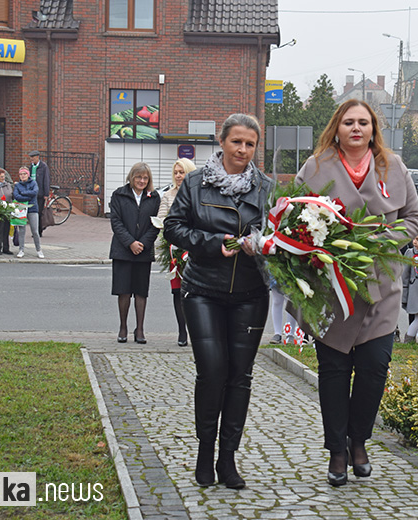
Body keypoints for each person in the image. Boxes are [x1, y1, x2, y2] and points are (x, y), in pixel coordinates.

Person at [293, 100, 418, 487]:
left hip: (381, 287)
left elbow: (414, 219)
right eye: (348, 122)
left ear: (373, 128)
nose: (356, 128)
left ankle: (359, 441)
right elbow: (293, 218)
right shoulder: (315, 166)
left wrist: (383, 239)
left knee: (374, 369)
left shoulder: (393, 166)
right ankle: (337, 451)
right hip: (334, 287)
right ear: (336, 127)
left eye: (363, 122)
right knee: (334, 373)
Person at [164, 114, 272, 490]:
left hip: (251, 293)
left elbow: (280, 232)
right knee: (212, 372)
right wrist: (213, 243)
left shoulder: (265, 187)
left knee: (240, 377)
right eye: (236, 142)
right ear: (222, 141)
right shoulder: (196, 183)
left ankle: (228, 459)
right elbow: (173, 227)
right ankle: (204, 452)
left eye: (250, 144)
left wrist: (266, 243)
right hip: (204, 290)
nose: (242, 150)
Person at [110, 162, 160, 345]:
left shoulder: (154, 197)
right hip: (123, 250)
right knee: (123, 291)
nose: (142, 181)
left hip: (143, 251)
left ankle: (139, 329)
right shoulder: (119, 195)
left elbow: (156, 224)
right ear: (132, 177)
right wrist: (130, 242)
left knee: (141, 291)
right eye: (139, 177)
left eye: (145, 178)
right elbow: (116, 222)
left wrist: (143, 244)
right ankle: (123, 327)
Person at [157, 158, 197, 347]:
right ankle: (182, 331)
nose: (179, 176)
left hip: (195, 248)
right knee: (178, 292)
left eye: (182, 172)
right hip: (175, 250)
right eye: (176, 173)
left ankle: (196, 331)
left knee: (196, 293)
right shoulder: (168, 195)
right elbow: (161, 220)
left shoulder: (199, 194)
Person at [12, 167, 44, 259]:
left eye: (24, 174)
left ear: (28, 174)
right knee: (22, 230)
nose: (23, 176)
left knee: (35, 231)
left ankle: (39, 250)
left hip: (32, 209)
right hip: (21, 209)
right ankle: (21, 250)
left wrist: (23, 193)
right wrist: (27, 196)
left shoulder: (33, 183)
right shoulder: (17, 185)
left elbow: (34, 193)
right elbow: (16, 196)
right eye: (21, 174)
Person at [28, 151, 51, 235]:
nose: (31, 159)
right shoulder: (31, 167)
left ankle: (39, 230)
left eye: (33, 157)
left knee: (39, 212)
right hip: (32, 193)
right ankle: (35, 230)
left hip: (40, 193)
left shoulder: (43, 166)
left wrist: (46, 194)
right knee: (33, 212)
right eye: (30, 157)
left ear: (37, 157)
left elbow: (46, 180)